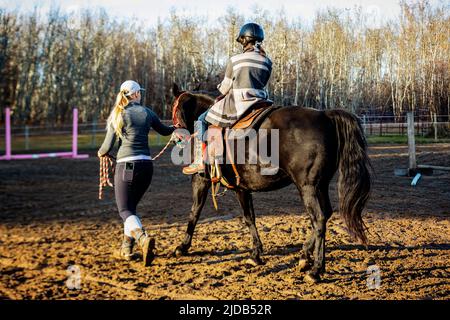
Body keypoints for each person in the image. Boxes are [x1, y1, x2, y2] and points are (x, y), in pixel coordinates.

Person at [98, 80, 175, 266]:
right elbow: (165, 131)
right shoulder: (147, 113)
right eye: (139, 92)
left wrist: (101, 153)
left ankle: (142, 239)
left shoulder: (118, 114)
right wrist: (178, 127)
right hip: (147, 167)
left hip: (127, 166)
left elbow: (107, 146)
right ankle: (126, 248)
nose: (140, 94)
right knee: (130, 209)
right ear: (135, 95)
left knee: (124, 210)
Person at [182, 22, 273, 175]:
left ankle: (199, 161)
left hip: (238, 103)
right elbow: (262, 83)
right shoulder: (267, 61)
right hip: (261, 102)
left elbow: (225, 88)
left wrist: (219, 87)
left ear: (244, 40)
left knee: (201, 120)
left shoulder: (235, 60)